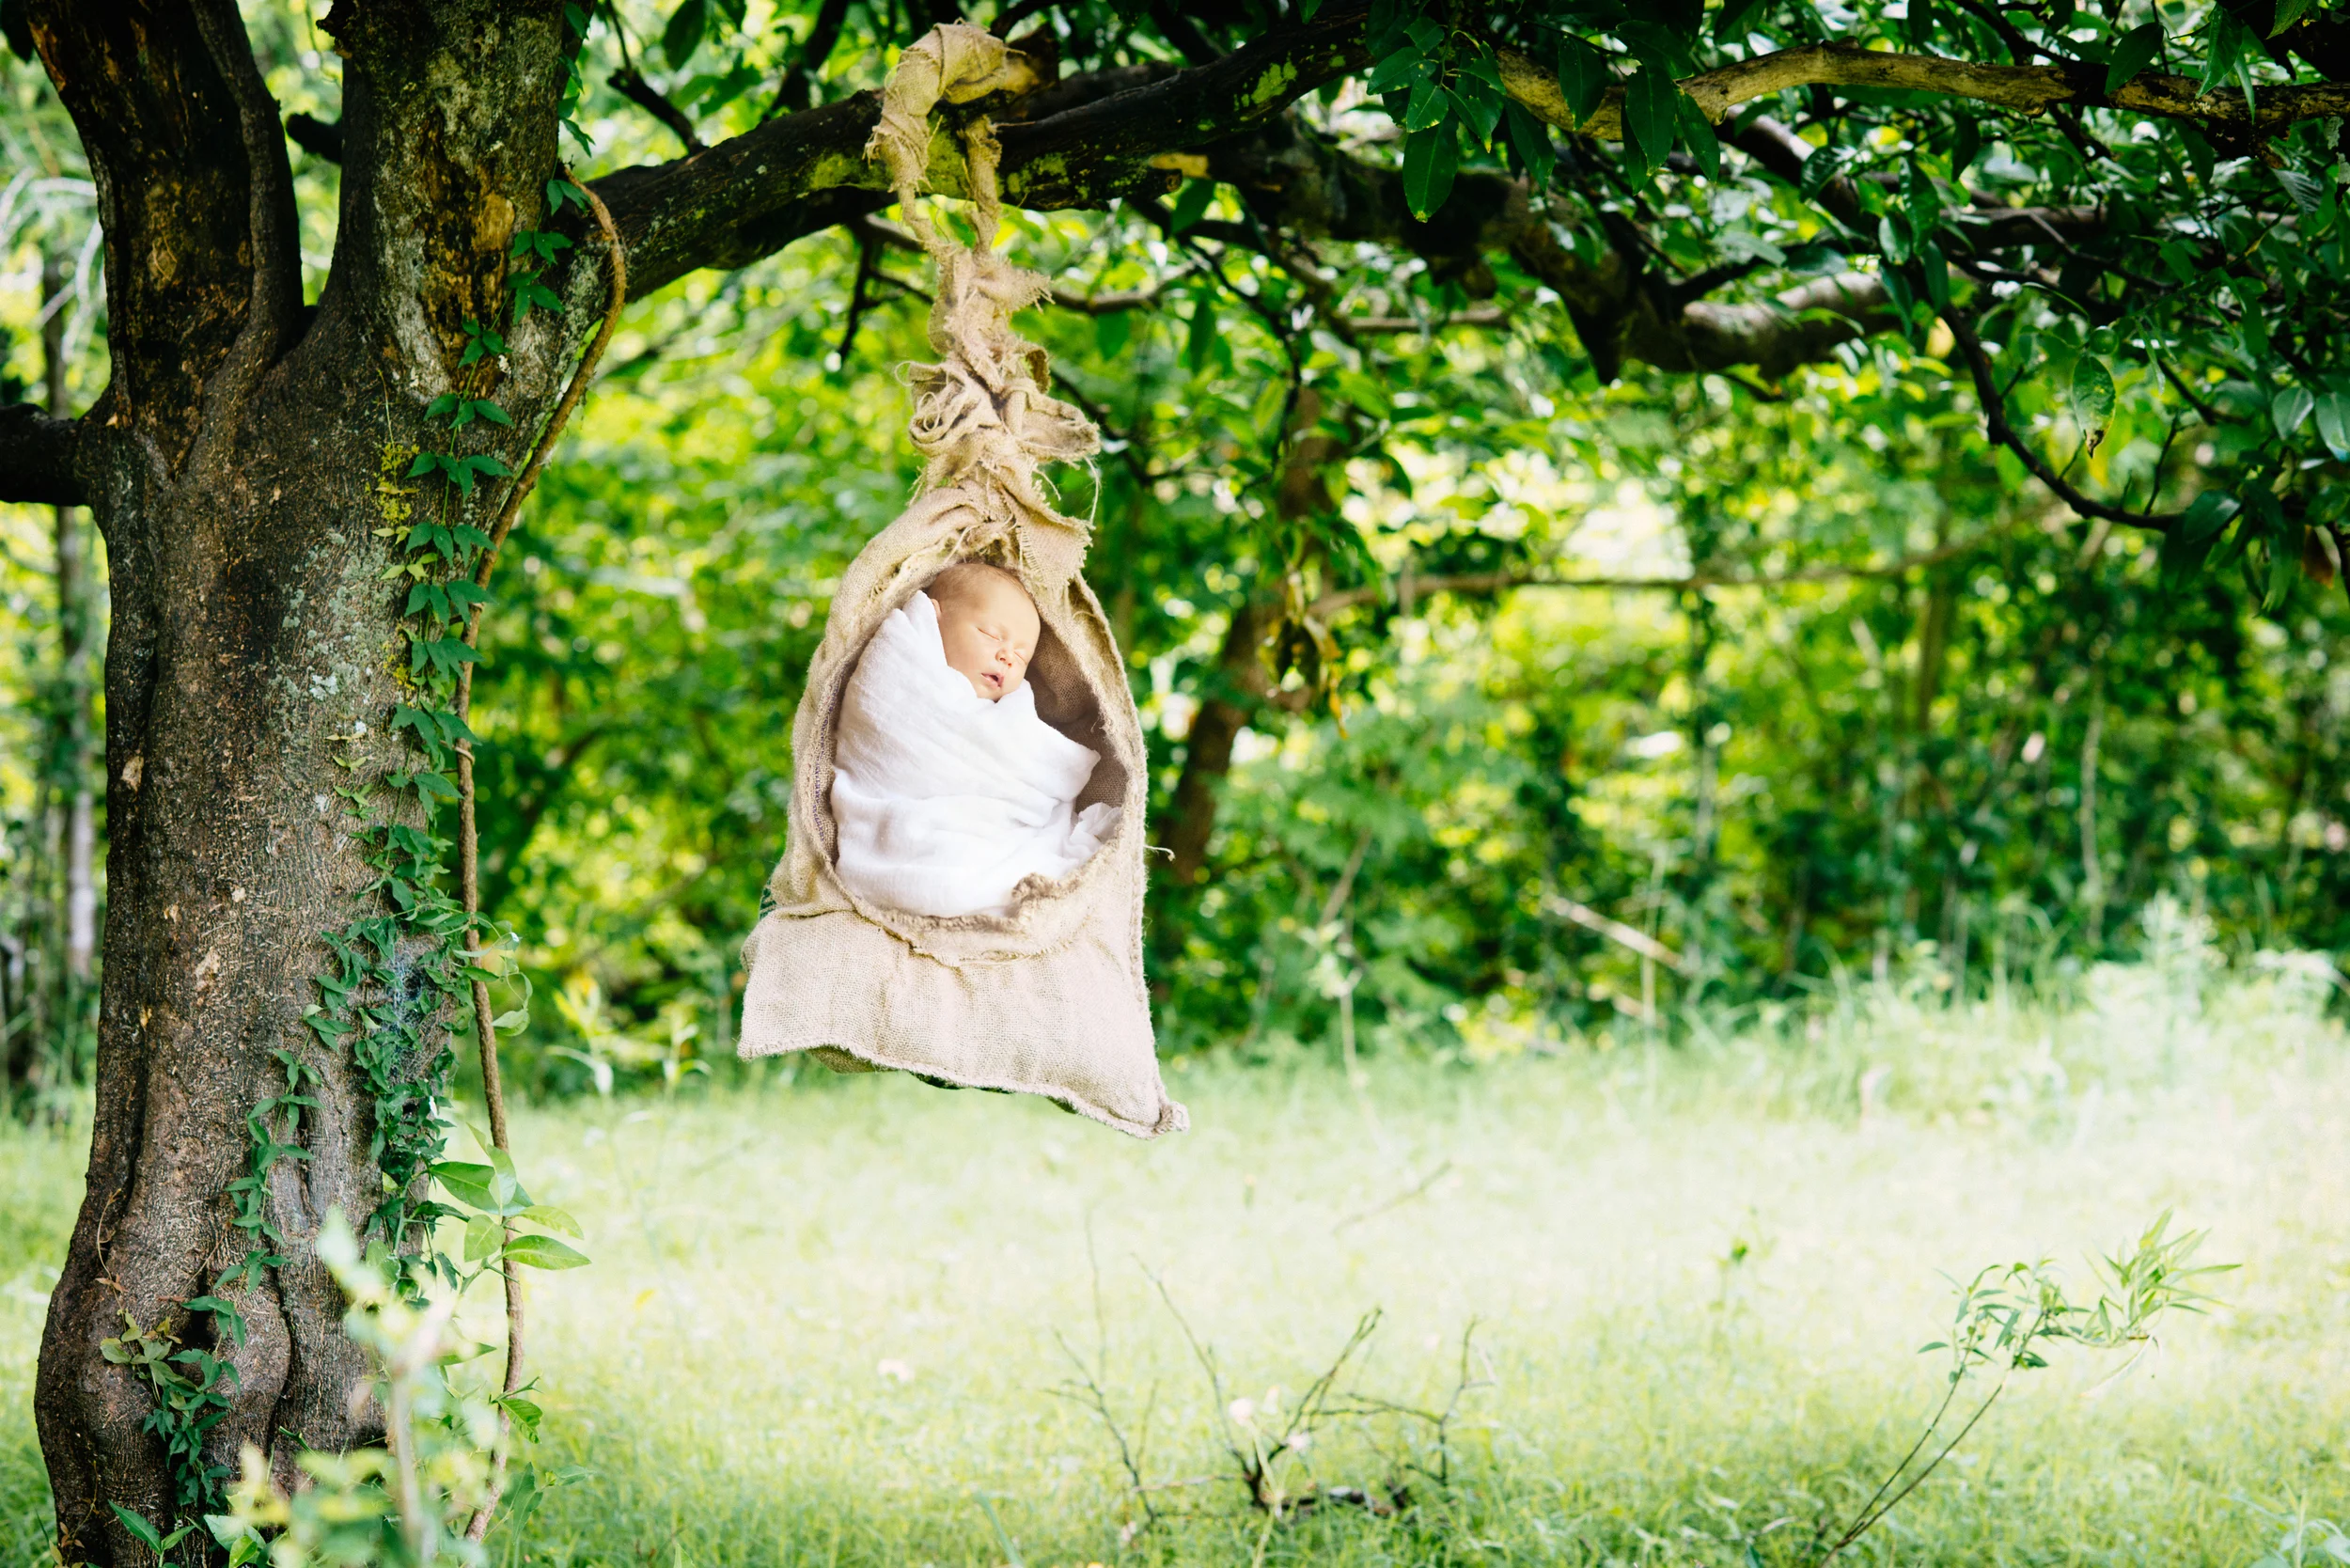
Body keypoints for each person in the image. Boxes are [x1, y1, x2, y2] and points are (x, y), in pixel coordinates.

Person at [827, 560, 1119, 917]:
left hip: (979, 835)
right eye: (992, 635)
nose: (1007, 656)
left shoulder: (1011, 715)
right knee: (949, 882)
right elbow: (878, 729)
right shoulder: (897, 668)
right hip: (902, 832)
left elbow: (1039, 767)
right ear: (932, 618)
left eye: (1022, 655)